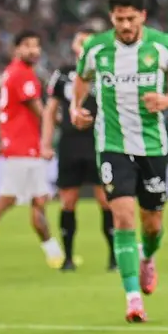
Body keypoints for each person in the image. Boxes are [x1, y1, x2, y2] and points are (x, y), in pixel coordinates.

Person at [72, 0, 168, 322]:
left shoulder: (163, 46)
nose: (125, 26)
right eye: (119, 19)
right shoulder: (96, 48)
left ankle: (148, 257)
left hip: (152, 146)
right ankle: (132, 298)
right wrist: (76, 107)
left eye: (131, 18)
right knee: (123, 218)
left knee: (153, 224)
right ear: (111, 18)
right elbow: (81, 78)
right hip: (112, 146)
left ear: (142, 16)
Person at [0, 31, 65, 270]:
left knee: (39, 199)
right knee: (8, 198)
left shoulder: (13, 72)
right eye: (27, 46)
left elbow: (0, 111)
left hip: (24, 145)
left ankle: (55, 255)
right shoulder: (22, 74)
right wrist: (65, 121)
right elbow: (41, 110)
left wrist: (2, 140)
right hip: (23, 147)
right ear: (16, 49)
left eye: (37, 46)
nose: (33, 51)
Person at [43, 29, 116, 272]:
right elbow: (50, 111)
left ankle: (114, 258)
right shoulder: (63, 74)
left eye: (88, 40)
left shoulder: (106, 71)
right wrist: (46, 142)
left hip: (99, 142)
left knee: (105, 200)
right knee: (68, 200)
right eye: (79, 40)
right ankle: (68, 257)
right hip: (70, 144)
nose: (83, 44)